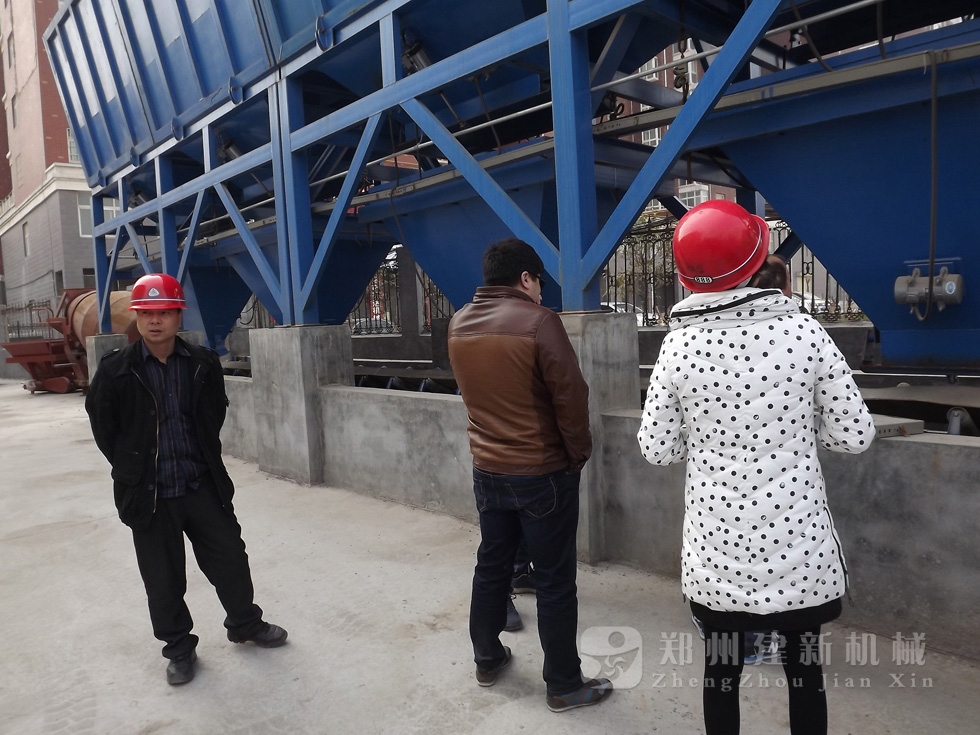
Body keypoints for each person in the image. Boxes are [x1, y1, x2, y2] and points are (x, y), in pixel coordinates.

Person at [636, 201, 874, 735]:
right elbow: (855, 435)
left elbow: (657, 449)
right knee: (805, 672)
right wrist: (802, 431)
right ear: (755, 260)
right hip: (798, 554)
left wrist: (705, 439)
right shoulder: (805, 333)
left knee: (721, 672)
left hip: (716, 555)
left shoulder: (678, 345)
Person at [85, 273, 287, 686]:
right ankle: (178, 648)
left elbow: (213, 415)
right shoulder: (116, 370)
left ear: (179, 316)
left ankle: (245, 623)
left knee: (230, 558)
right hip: (150, 494)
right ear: (137, 318)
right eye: (147, 313)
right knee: (163, 580)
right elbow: (104, 427)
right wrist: (133, 468)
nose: (155, 321)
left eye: (164, 312)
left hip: (200, 484)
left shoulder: (202, 363)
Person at [448, 238, 612, 713]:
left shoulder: (459, 323)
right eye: (540, 281)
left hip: (488, 470)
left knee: (491, 565)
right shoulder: (540, 322)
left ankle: (487, 658)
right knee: (555, 581)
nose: (541, 290)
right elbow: (571, 396)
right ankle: (563, 684)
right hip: (542, 472)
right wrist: (576, 456)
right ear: (525, 278)